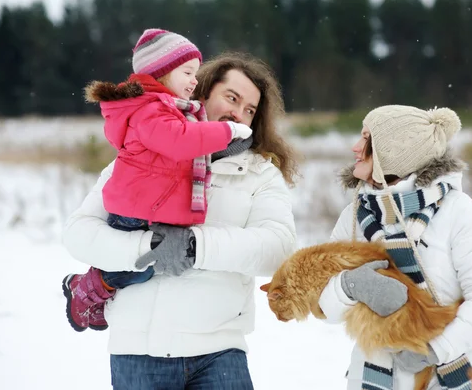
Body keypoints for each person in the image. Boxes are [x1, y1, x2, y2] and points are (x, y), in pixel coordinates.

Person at [62, 51, 299, 389]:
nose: (239, 114)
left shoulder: (260, 175)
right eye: (231, 98)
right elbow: (78, 233)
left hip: (219, 348)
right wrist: (150, 246)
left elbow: (278, 248)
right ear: (200, 93)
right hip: (137, 350)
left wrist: (193, 247)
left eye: (249, 110)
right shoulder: (141, 155)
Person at [61, 29, 253, 333]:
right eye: (188, 72)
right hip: (134, 210)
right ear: (160, 73)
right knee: (141, 268)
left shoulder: (165, 109)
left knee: (146, 265)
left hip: (145, 209)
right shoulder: (152, 110)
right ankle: (87, 289)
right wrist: (227, 132)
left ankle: (97, 291)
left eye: (196, 73)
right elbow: (180, 143)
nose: (194, 80)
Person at [318, 105, 472, 390]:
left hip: (445, 374)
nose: (355, 147)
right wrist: (348, 286)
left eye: (366, 139)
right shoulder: (355, 216)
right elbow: (324, 307)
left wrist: (432, 348)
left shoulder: (458, 211)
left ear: (392, 152)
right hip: (371, 373)